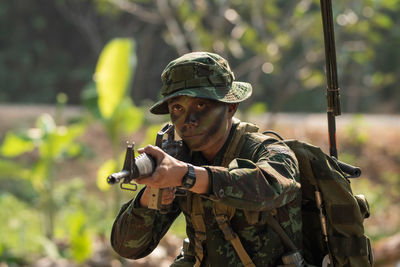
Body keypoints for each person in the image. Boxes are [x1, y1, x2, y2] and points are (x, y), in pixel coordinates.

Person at [110, 52, 302, 267]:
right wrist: (151, 195)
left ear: (231, 106)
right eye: (177, 108)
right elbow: (127, 247)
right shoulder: (182, 158)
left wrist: (187, 176)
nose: (189, 120)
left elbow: (273, 186)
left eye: (201, 105)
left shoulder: (268, 150)